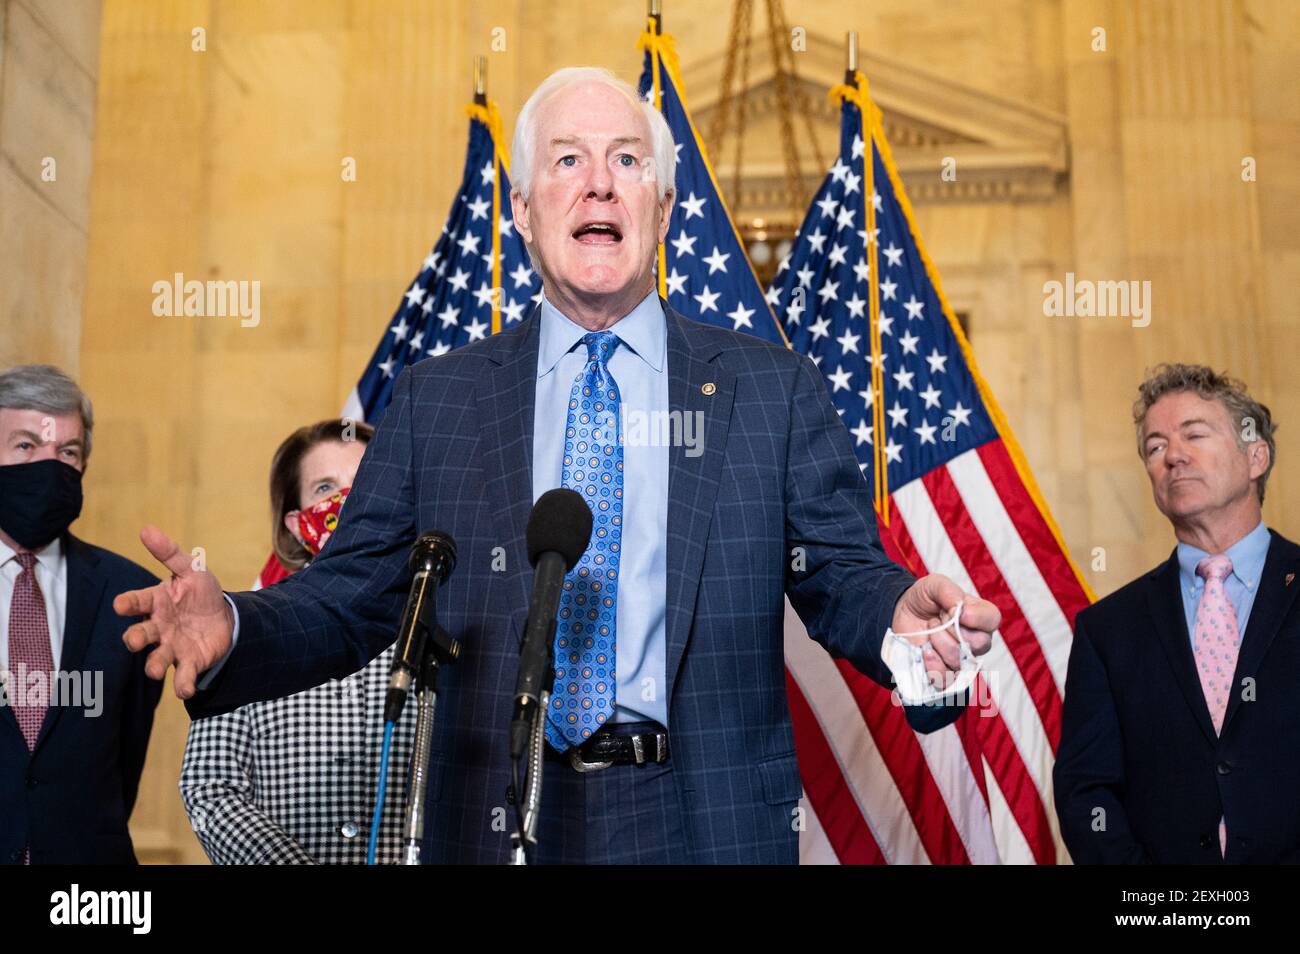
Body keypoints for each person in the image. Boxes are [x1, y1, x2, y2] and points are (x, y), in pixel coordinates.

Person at [117, 66, 999, 864]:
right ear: (523, 210)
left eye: (627, 160)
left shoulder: (771, 392)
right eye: (567, 160)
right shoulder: (439, 400)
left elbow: (839, 573)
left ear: (661, 208)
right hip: (496, 813)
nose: (600, 182)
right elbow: (349, 597)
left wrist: (904, 625)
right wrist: (235, 624)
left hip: (702, 820)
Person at [1055, 363, 1299, 864]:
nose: (1173, 457)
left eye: (1194, 434)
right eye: (1155, 446)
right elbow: (1088, 794)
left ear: (1256, 456)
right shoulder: (1107, 630)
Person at [180, 419, 419, 863]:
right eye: (325, 487)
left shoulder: (435, 617)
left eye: (365, 481)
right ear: (295, 522)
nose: (347, 501)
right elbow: (209, 786)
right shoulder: (248, 627)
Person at [0, 364, 162, 864]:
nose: (50, 467)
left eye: (67, 452)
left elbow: (126, 759)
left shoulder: (131, 594)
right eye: (26, 446)